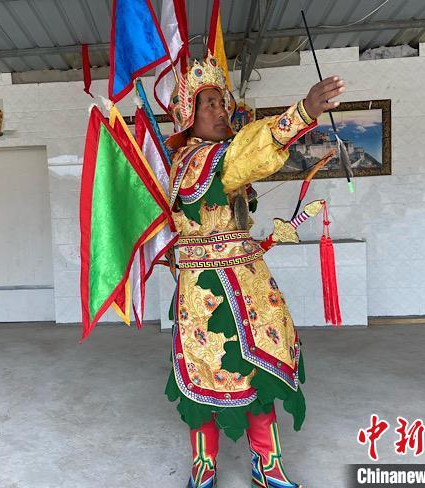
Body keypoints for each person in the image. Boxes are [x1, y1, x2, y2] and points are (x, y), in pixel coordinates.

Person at [163, 55, 345, 488]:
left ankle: (268, 465)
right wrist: (303, 112)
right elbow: (246, 154)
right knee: (207, 372)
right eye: (209, 103)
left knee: (261, 374)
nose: (220, 111)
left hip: (251, 284)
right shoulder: (196, 161)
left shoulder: (220, 160)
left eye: (221, 103)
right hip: (208, 292)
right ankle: (204, 465)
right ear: (189, 116)